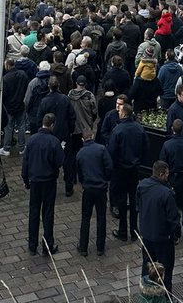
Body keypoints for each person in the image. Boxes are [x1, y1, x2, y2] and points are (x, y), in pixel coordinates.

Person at [21, 112, 64, 255]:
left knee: (33, 212)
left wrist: (26, 180)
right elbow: (59, 161)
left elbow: (25, 162)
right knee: (48, 213)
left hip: (35, 181)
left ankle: (32, 245)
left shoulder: (32, 140)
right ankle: (47, 245)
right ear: (52, 125)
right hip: (49, 181)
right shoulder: (54, 142)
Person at [136, 159, 180, 295]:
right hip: (163, 239)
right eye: (167, 174)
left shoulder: (142, 186)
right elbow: (173, 218)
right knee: (165, 268)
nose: (168, 176)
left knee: (147, 265)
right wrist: (176, 234)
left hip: (147, 235)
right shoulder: (166, 193)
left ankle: (146, 292)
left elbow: (139, 206)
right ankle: (166, 295)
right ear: (161, 174)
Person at [109, 102, 144, 242]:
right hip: (135, 169)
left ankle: (123, 231)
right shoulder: (139, 129)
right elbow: (146, 147)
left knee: (122, 201)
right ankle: (134, 231)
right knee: (134, 199)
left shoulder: (118, 130)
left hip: (121, 170)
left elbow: (112, 151)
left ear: (123, 114)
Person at [160, 118, 183, 242]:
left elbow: (163, 163)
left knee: (174, 207)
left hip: (172, 179)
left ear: (172, 129)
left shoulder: (167, 145)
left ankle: (175, 234)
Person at [76, 127, 113, 256]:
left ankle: (83, 247)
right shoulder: (102, 149)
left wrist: (83, 183)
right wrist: (105, 179)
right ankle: (100, 247)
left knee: (85, 218)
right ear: (92, 136)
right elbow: (109, 167)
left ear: (83, 139)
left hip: (88, 189)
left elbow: (79, 173)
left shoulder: (80, 153)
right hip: (101, 188)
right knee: (101, 217)